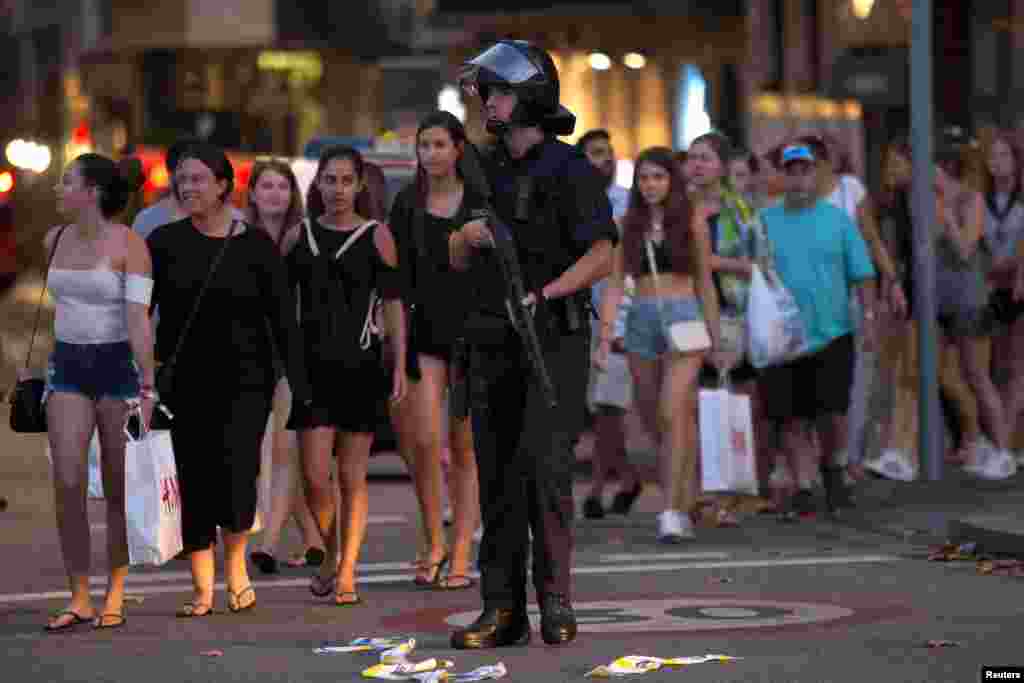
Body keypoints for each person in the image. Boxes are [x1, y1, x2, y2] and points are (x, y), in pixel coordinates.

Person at [451, 39, 617, 647]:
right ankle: (501, 609)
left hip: (555, 338)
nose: (485, 103)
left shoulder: (569, 168)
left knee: (546, 473)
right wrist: (469, 235)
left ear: (525, 97)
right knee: (495, 478)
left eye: (494, 91)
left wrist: (545, 294)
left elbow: (602, 252)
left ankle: (557, 604)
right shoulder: (479, 165)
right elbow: (453, 251)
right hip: (491, 341)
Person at [147, 143, 311, 617]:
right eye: (182, 178)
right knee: (193, 483)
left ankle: (235, 569)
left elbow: (284, 323)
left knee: (238, 478)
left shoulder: (256, 247)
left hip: (247, 383)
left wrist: (298, 388)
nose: (188, 186)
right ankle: (202, 589)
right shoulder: (163, 243)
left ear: (223, 185)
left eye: (199, 178)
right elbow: (139, 314)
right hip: (183, 384)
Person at [286, 145, 407, 607]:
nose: (337, 189)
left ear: (360, 186)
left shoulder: (378, 236)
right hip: (311, 369)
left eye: (345, 181)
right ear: (317, 185)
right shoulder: (300, 237)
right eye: (329, 180)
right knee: (316, 476)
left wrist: (398, 363)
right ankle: (334, 556)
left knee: (352, 476)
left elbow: (393, 304)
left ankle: (348, 571)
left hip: (360, 368)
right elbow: (280, 303)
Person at [41, 153, 149, 632]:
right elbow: (59, 308)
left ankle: (116, 590)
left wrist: (148, 383)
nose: (58, 190)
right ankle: (79, 594)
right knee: (66, 481)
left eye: (67, 182)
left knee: (117, 485)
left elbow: (138, 319)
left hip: (117, 367)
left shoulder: (131, 244)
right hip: (67, 366)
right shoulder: (54, 239)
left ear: (93, 192)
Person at [596, 146, 722, 541]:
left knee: (671, 409)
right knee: (656, 419)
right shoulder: (625, 223)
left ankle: (670, 509)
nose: (651, 185)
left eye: (658, 177)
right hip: (640, 323)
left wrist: (715, 337)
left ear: (672, 181)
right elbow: (615, 283)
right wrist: (604, 335)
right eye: (644, 178)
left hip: (685, 318)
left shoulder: (691, 221)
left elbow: (704, 281)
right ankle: (684, 499)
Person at [389, 111, 482, 589]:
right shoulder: (407, 203)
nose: (432, 154)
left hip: (473, 332)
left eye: (440, 144)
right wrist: (396, 343)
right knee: (424, 442)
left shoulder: (482, 200)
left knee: (466, 448)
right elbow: (395, 280)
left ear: (458, 149)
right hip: (423, 331)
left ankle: (462, 552)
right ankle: (433, 540)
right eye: (425, 145)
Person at [758, 144, 877, 518]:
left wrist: (870, 318)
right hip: (782, 337)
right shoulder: (763, 221)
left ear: (816, 175)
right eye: (790, 171)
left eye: (804, 170)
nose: (797, 178)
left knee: (832, 412)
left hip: (832, 332)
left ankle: (834, 468)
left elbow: (862, 272)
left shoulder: (838, 220)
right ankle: (805, 486)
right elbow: (746, 271)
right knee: (790, 417)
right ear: (780, 176)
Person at [244, 160, 327, 574]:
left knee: (282, 450)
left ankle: (269, 544)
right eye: (267, 186)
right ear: (253, 193)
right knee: (274, 453)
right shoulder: (239, 236)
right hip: (249, 353)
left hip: (295, 355)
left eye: (282, 186)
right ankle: (314, 540)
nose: (275, 193)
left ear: (293, 194)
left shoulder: (302, 236)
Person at [932, 136, 1016, 479]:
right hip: (942, 301)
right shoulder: (928, 200)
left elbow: (966, 248)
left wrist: (948, 218)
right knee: (940, 371)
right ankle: (975, 437)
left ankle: (1003, 450)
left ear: (944, 169)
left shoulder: (971, 199)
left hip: (970, 300)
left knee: (977, 376)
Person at [576, 129, 640, 520]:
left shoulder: (627, 204)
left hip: (618, 320)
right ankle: (629, 477)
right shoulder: (571, 205)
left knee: (607, 411)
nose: (606, 160)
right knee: (597, 410)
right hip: (580, 321)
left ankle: (598, 489)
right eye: (597, 153)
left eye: (609, 153)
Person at [982, 131, 1024, 466]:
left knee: (1016, 368)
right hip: (989, 288)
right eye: (993, 156)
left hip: (1018, 286)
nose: (998, 162)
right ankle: (1003, 440)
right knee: (993, 366)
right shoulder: (981, 198)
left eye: (1004, 155)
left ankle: (1006, 444)